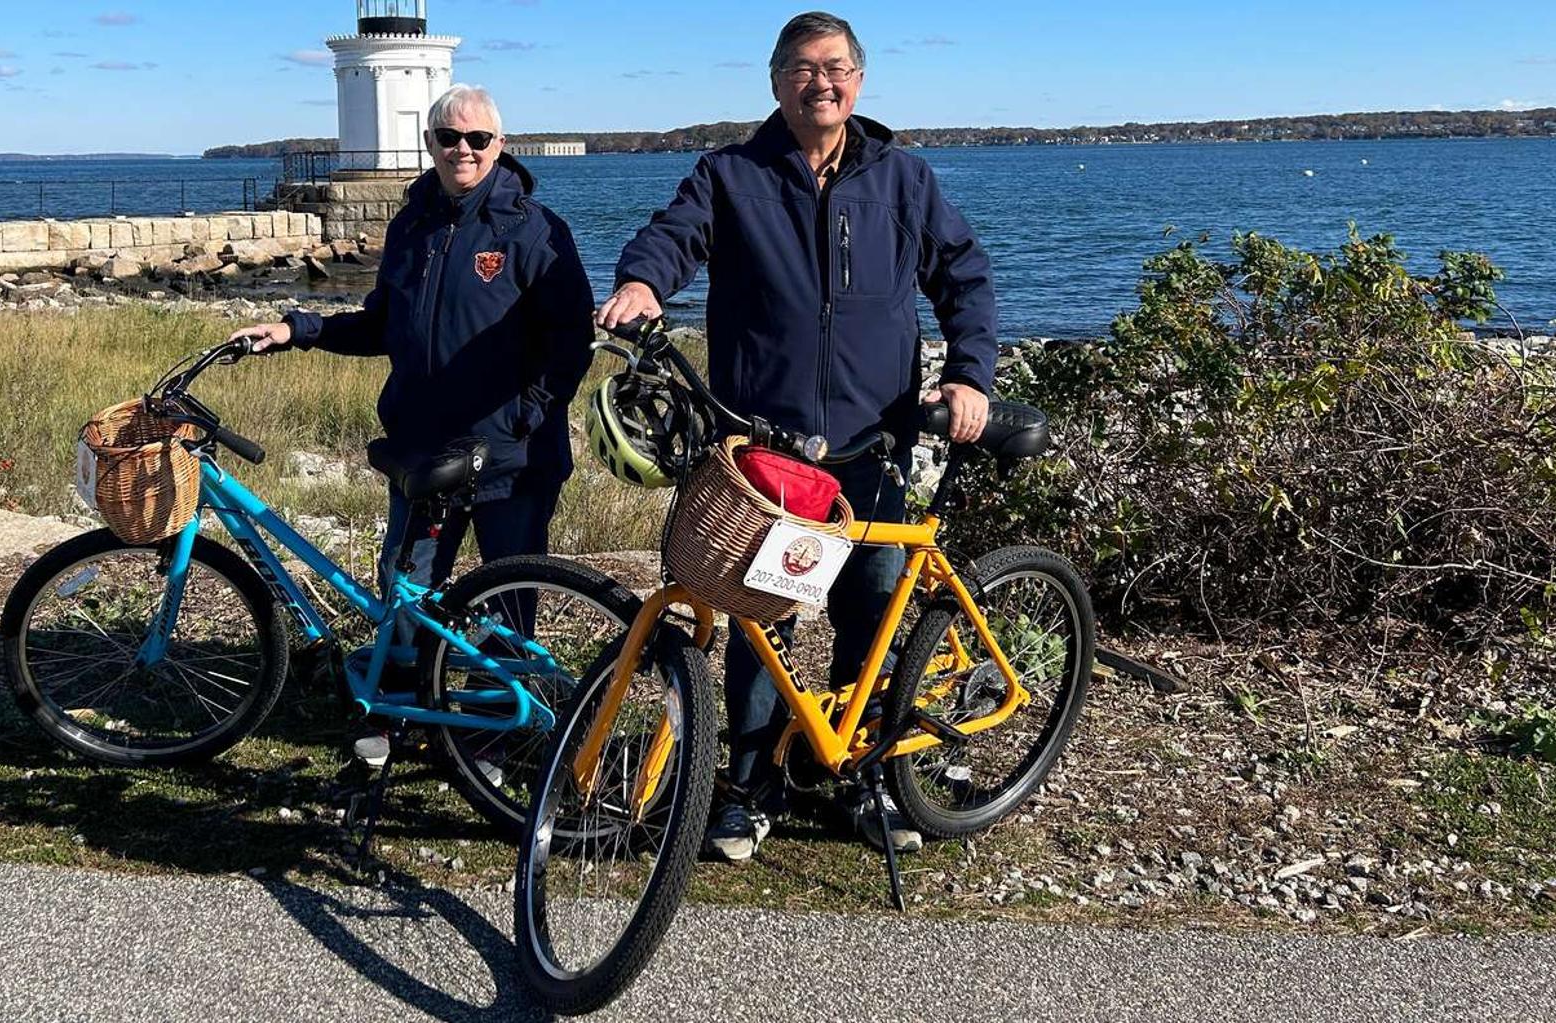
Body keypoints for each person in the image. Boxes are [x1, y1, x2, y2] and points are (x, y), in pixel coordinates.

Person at [597, 11, 1000, 862]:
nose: (822, 82)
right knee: (758, 619)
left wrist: (971, 374)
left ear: (860, 80)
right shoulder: (732, 174)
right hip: (767, 452)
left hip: (873, 443)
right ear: (776, 81)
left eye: (837, 68)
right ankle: (749, 788)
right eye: (804, 69)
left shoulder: (903, 179)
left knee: (870, 610)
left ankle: (862, 777)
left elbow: (963, 275)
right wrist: (641, 282)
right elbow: (675, 236)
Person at [232, 84, 595, 768]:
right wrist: (299, 328)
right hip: (421, 450)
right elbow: (381, 323)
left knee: (505, 598)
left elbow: (571, 339)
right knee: (407, 585)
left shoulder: (535, 230)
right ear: (429, 143)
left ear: (500, 145)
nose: (462, 149)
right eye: (448, 137)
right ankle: (396, 712)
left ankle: (496, 731)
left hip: (511, 455)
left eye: (477, 139)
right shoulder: (412, 225)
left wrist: (525, 416)